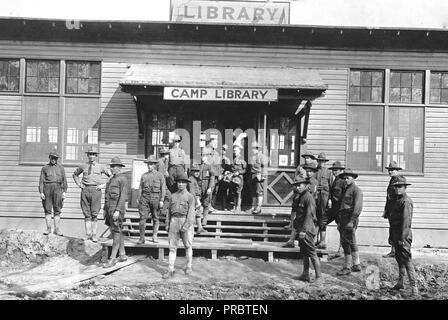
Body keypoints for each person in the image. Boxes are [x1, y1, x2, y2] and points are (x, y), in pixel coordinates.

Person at [73, 146, 111, 242]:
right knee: (86, 213)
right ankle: (88, 234)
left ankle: (94, 235)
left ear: (96, 156)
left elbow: (111, 176)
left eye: (93, 154)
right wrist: (79, 184)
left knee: (94, 214)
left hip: (96, 190)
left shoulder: (101, 166)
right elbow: (75, 174)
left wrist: (103, 185)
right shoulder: (83, 166)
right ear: (87, 155)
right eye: (90, 154)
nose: (91, 156)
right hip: (85, 190)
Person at [163, 172, 196, 279]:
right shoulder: (172, 196)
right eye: (179, 182)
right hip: (174, 222)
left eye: (183, 182)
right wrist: (167, 224)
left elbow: (191, 213)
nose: (180, 184)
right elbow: (168, 211)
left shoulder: (190, 197)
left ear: (186, 184)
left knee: (188, 245)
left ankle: (189, 266)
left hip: (185, 221)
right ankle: (170, 269)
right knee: (172, 247)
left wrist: (186, 226)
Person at [389, 176, 418, 295]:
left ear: (405, 188)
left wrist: (402, 238)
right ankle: (400, 282)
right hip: (396, 234)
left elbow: (406, 222)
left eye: (400, 187)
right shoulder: (397, 200)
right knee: (399, 259)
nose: (397, 189)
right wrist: (392, 237)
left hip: (403, 235)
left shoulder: (406, 201)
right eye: (395, 187)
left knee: (406, 260)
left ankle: (414, 288)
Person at [291, 176, 321, 282]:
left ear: (306, 185)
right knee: (304, 253)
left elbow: (309, 216)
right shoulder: (300, 197)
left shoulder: (308, 197)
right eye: (296, 185)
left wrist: (303, 231)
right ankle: (305, 274)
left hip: (307, 230)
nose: (298, 187)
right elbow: (299, 215)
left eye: (300, 185)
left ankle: (319, 277)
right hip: (301, 229)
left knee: (312, 253)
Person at [283, 162, 318, 248]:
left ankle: (310, 243)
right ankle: (291, 241)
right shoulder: (303, 180)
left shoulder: (314, 182)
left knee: (307, 224)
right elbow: (297, 189)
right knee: (296, 222)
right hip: (299, 201)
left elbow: (313, 194)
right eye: (307, 171)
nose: (309, 173)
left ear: (314, 173)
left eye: (311, 171)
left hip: (307, 204)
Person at [336, 168, 363, 276]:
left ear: (353, 178)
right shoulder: (345, 189)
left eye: (348, 178)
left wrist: (352, 221)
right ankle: (356, 264)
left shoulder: (356, 190)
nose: (346, 180)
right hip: (343, 218)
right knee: (347, 241)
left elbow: (358, 207)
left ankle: (348, 266)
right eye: (344, 178)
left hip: (350, 217)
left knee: (348, 241)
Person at [103, 157, 128, 268]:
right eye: (111, 166)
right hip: (109, 208)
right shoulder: (111, 179)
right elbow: (107, 195)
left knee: (116, 233)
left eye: (114, 166)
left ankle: (112, 258)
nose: (112, 168)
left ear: (119, 167)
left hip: (117, 209)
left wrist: (118, 210)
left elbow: (123, 196)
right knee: (116, 231)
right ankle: (122, 255)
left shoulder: (122, 179)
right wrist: (105, 209)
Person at [136, 155, 166, 244]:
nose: (149, 166)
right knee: (142, 218)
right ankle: (142, 237)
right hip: (144, 199)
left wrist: (162, 200)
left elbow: (163, 188)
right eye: (148, 164)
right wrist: (138, 198)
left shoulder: (160, 176)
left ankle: (154, 236)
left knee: (156, 218)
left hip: (155, 198)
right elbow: (140, 187)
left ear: (155, 165)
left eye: (152, 164)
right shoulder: (144, 176)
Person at [39, 150, 67, 236]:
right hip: (47, 189)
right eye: (52, 157)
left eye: (55, 158)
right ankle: (48, 229)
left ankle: (57, 229)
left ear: (57, 159)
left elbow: (64, 180)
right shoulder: (45, 168)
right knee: (47, 209)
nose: (53, 159)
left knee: (57, 209)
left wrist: (64, 191)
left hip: (58, 189)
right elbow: (41, 181)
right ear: (49, 158)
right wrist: (41, 192)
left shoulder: (61, 168)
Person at [383, 161, 403, 258]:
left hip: (397, 210)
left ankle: (398, 252)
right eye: (389, 170)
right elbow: (389, 197)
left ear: (397, 171)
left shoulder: (399, 180)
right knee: (393, 229)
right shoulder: (392, 180)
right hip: (391, 210)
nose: (390, 172)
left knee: (397, 230)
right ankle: (393, 251)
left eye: (392, 170)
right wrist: (386, 210)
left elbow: (399, 197)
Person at [327, 161, 346, 258]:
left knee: (342, 229)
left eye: (337, 170)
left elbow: (344, 196)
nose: (335, 172)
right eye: (334, 170)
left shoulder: (342, 181)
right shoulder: (335, 180)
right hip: (335, 208)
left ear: (341, 170)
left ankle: (341, 249)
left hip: (340, 208)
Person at [315, 152, 333, 249]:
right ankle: (315, 240)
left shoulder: (329, 172)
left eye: (323, 161)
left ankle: (322, 241)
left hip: (325, 197)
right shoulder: (314, 171)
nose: (321, 163)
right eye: (319, 161)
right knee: (315, 217)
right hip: (315, 196)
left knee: (323, 218)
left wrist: (329, 199)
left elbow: (331, 187)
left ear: (325, 162)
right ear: (317, 161)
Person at [246, 141, 268, 214]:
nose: (253, 150)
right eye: (252, 148)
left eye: (254, 148)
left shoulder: (262, 156)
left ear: (257, 149)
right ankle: (253, 206)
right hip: (252, 175)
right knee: (253, 191)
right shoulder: (251, 157)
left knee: (259, 191)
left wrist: (263, 176)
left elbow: (264, 166)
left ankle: (258, 207)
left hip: (259, 175)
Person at [197, 150, 216, 227]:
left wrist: (210, 188)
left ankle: (204, 219)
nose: (202, 158)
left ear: (207, 157)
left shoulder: (209, 165)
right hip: (199, 184)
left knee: (206, 203)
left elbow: (212, 178)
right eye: (201, 156)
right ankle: (197, 218)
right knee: (197, 202)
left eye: (204, 156)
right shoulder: (198, 165)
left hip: (206, 184)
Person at [188, 163, 207, 234]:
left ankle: (200, 228)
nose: (197, 173)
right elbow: (192, 192)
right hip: (193, 200)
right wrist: (197, 201)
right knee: (192, 215)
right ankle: (190, 232)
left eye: (198, 171)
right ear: (191, 172)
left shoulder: (195, 179)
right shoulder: (191, 180)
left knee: (198, 213)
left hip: (196, 199)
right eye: (195, 171)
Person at [228, 145, 247, 212]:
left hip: (239, 177)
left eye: (236, 151)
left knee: (238, 192)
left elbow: (244, 170)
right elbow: (231, 168)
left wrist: (239, 172)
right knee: (233, 192)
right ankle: (234, 206)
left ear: (239, 151)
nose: (234, 152)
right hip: (232, 177)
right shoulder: (233, 159)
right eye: (234, 151)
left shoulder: (242, 159)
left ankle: (238, 207)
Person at [157, 146, 172, 219]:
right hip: (161, 184)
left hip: (162, 183)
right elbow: (160, 175)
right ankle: (161, 212)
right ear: (165, 155)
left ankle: (161, 211)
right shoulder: (160, 163)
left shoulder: (163, 162)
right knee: (168, 196)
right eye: (167, 154)